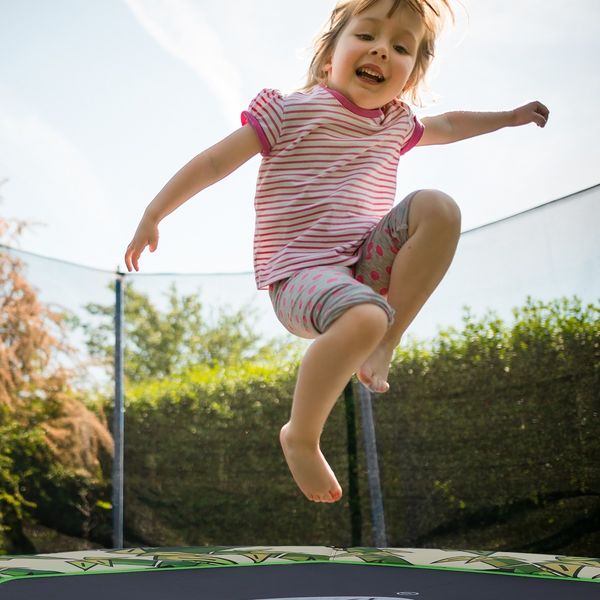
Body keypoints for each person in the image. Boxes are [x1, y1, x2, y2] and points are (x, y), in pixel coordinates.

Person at [124, 0, 549, 504]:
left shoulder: (396, 124)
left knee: (440, 208)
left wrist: (509, 118)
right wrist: (154, 212)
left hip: (363, 263)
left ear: (409, 76)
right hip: (299, 276)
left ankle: (385, 343)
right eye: (367, 36)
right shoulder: (289, 111)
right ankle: (300, 435)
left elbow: (451, 126)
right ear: (330, 59)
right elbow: (217, 161)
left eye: (399, 47)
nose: (380, 51)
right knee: (365, 315)